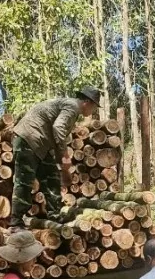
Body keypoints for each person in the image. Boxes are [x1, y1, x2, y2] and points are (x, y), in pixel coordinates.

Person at [9, 87, 100, 228]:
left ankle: (54, 215)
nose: (93, 111)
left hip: (41, 144)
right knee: (24, 181)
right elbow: (58, 128)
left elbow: (55, 136)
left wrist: (63, 166)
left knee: (52, 176)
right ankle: (16, 222)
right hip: (27, 139)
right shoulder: (72, 106)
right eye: (94, 107)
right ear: (87, 102)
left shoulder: (72, 109)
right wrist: (65, 156)